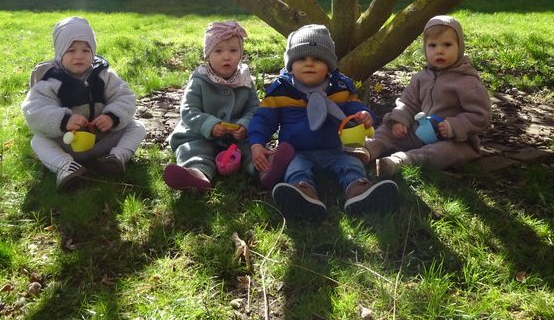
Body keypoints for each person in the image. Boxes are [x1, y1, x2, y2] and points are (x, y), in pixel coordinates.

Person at [248, 24, 399, 221]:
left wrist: (364, 115)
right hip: (297, 151)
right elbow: (263, 118)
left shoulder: (340, 87)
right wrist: (257, 143)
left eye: (317, 59)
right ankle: (303, 194)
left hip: (335, 149)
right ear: (291, 64)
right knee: (295, 169)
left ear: (329, 64)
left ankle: (359, 190)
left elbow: (354, 106)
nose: (309, 64)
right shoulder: (281, 90)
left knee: (351, 164)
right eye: (301, 58)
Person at [22, 16, 146, 191]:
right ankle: (66, 167)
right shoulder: (50, 80)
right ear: (60, 53)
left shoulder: (104, 75)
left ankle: (116, 158)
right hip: (68, 143)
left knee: (137, 127)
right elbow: (34, 110)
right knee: (38, 140)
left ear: (93, 52)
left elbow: (124, 96)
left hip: (101, 139)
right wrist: (64, 121)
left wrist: (111, 117)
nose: (79, 56)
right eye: (71, 50)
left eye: (86, 50)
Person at [365, 15, 491, 178]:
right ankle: (369, 149)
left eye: (447, 45)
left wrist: (454, 126)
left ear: (460, 47)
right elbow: (408, 102)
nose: (439, 50)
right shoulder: (421, 78)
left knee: (443, 153)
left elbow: (481, 115)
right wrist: (400, 120)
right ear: (425, 48)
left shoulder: (467, 81)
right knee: (387, 130)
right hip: (419, 132)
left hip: (455, 140)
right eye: (432, 45)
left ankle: (401, 161)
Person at [163, 21, 260, 191]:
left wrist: (245, 125)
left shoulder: (244, 80)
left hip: (236, 137)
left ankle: (263, 170)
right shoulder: (199, 80)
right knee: (195, 149)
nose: (226, 57)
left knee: (251, 148)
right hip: (199, 134)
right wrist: (209, 124)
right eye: (218, 51)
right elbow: (189, 110)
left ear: (241, 54)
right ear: (207, 55)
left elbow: (254, 108)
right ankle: (196, 174)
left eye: (233, 50)